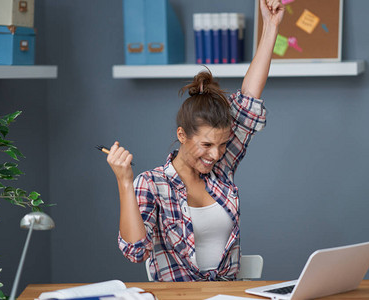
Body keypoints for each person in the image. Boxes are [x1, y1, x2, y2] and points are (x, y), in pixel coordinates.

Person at [107, 0, 285, 281]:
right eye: (206, 145)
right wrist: (125, 182)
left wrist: (271, 26)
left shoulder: (221, 171)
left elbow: (249, 97)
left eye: (223, 144)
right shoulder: (152, 184)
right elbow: (136, 251)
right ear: (182, 135)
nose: (215, 155)